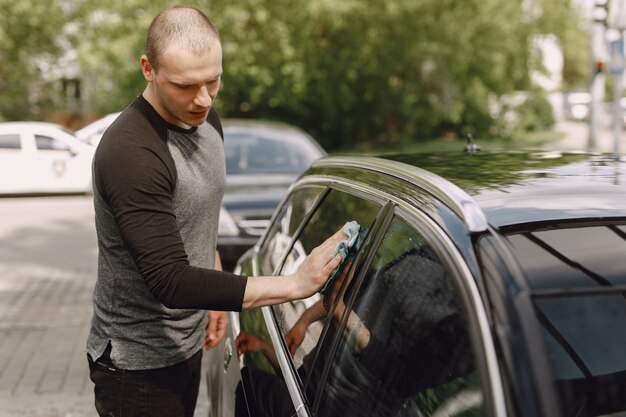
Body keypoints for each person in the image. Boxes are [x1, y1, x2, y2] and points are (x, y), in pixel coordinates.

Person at [85, 6, 345, 417]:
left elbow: (199, 214)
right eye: (186, 86)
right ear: (148, 68)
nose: (203, 99)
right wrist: (294, 285)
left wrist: (216, 291)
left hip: (188, 342)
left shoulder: (207, 121)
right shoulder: (131, 152)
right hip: (136, 370)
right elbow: (169, 280)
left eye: (213, 81)